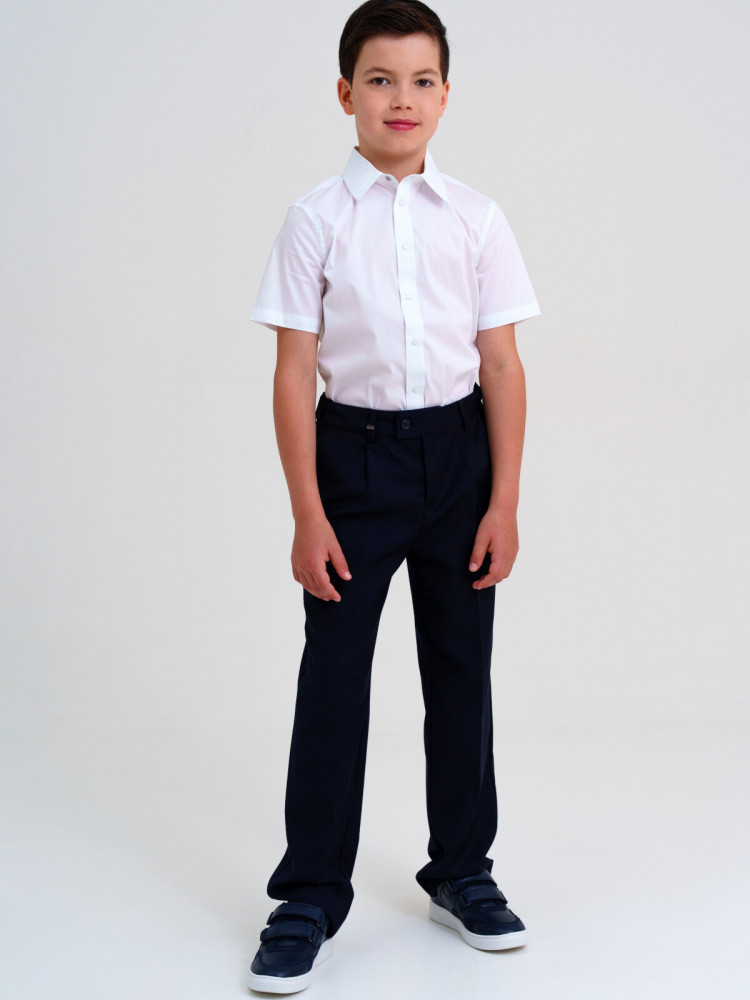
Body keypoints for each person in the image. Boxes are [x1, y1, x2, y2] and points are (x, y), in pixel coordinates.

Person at [248, 0, 540, 991]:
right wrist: (308, 513)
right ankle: (307, 895)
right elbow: (294, 373)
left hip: (459, 458)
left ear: (446, 96)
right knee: (335, 677)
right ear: (346, 94)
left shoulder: (477, 218)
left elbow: (501, 364)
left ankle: (463, 868)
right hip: (355, 461)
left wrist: (503, 500)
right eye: (380, 79)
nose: (400, 98)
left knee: (461, 668)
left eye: (421, 81)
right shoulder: (315, 220)